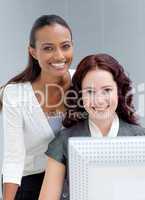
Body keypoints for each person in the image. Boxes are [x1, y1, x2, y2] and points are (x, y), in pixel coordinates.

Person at [39, 53, 145, 200]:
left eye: (107, 90)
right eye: (90, 92)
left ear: (119, 91)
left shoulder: (140, 138)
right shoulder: (64, 141)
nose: (99, 100)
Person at [1, 14, 74, 200]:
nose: (59, 55)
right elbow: (13, 158)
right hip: (31, 184)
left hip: (76, 182)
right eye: (48, 48)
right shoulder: (15, 94)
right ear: (33, 52)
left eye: (65, 46)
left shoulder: (83, 81)